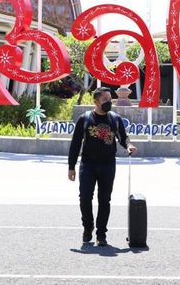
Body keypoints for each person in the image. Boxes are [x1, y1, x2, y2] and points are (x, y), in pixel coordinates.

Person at [68, 87, 137, 246]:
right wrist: (71, 167)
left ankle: (101, 234)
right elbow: (75, 144)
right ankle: (87, 226)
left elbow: (123, 138)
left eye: (109, 99)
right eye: (105, 99)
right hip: (88, 164)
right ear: (96, 101)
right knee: (85, 198)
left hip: (107, 165)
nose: (109, 102)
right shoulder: (85, 119)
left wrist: (129, 146)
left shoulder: (115, 119)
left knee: (104, 200)